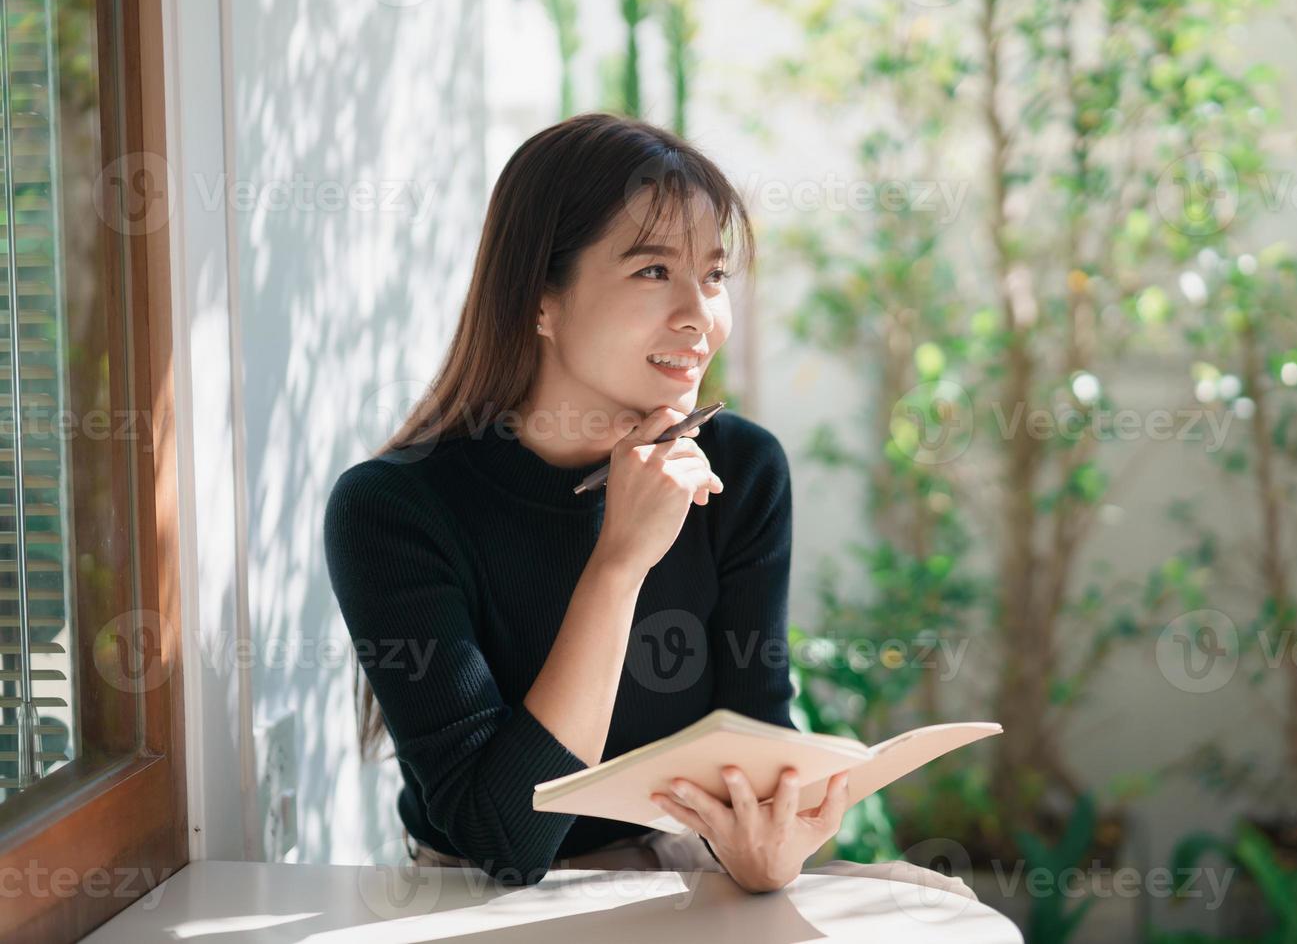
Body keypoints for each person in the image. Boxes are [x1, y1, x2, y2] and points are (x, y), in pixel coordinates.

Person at [324, 112, 976, 904]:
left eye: (713, 275)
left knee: (940, 907)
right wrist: (620, 562)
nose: (699, 316)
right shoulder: (394, 509)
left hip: (683, 872)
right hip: (479, 897)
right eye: (652, 272)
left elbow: (760, 744)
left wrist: (768, 851)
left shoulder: (739, 469)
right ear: (540, 299)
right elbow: (506, 840)